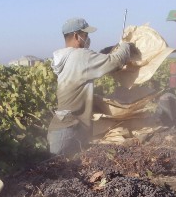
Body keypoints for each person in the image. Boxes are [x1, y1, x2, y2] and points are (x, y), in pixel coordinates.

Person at [47, 17, 132, 155]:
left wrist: (106, 51)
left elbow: (87, 65)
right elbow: (116, 61)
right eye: (85, 35)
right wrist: (125, 46)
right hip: (69, 131)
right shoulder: (80, 56)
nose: (88, 39)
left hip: (62, 128)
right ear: (76, 36)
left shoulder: (65, 57)